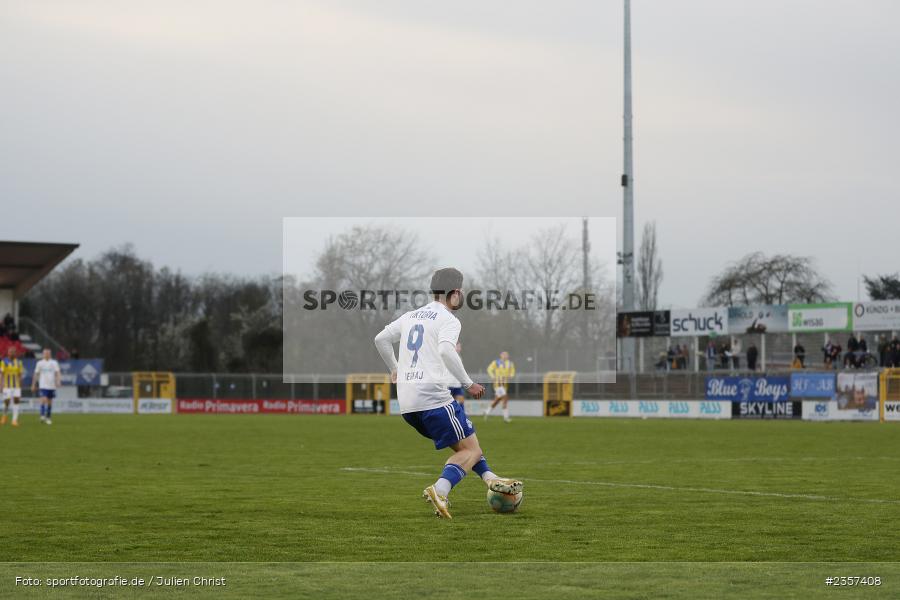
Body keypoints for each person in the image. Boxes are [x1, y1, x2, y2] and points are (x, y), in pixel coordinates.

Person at [373, 268, 521, 519]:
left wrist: (395, 369)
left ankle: (490, 477)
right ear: (454, 293)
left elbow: (380, 339)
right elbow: (445, 351)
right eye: (461, 291)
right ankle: (440, 490)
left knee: (467, 444)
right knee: (469, 451)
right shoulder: (449, 320)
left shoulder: (410, 316)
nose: (462, 295)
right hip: (433, 397)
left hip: (407, 403)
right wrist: (468, 383)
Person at [484, 351, 516, 423]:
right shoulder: (496, 362)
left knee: (497, 400)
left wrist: (510, 376)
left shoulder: (510, 364)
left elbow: (512, 373)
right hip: (498, 384)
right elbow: (489, 369)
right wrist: (493, 376)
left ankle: (487, 411)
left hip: (505, 385)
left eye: (506, 354)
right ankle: (506, 417)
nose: (505, 356)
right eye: (503, 354)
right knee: (505, 398)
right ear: (500, 355)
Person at [32, 348, 61, 425]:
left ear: (50, 354)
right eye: (45, 353)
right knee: (43, 400)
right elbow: (36, 374)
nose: (47, 354)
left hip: (52, 385)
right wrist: (33, 384)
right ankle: (42, 415)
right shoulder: (40, 363)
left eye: (48, 353)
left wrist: (58, 381)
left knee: (49, 402)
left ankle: (48, 417)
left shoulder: (54, 363)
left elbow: (57, 372)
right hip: (43, 385)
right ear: (43, 354)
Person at [1, 347, 24, 427]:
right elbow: (2, 374)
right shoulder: (4, 361)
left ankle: (14, 420)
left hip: (16, 386)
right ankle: (4, 415)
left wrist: (21, 384)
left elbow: (20, 374)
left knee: (16, 401)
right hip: (6, 386)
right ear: (8, 353)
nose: (12, 353)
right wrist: (1, 385)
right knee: (7, 402)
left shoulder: (19, 362)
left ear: (16, 353)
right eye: (10, 352)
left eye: (14, 352)